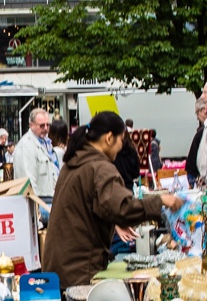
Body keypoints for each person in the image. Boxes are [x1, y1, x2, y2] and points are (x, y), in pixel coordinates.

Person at [40, 112, 183, 288]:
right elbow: (122, 208)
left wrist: (113, 220)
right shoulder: (99, 167)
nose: (122, 146)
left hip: (61, 266)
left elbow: (90, 206)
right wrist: (160, 201)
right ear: (109, 138)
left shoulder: (76, 162)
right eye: (121, 140)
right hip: (79, 269)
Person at [10, 108, 61, 205]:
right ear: (31, 125)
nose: (46, 128)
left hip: (52, 198)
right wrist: (37, 208)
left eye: (48, 125)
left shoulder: (46, 142)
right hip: (40, 201)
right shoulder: (26, 146)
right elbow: (28, 183)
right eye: (42, 126)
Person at [184, 101, 207, 187]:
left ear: (204, 111)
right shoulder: (203, 130)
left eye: (197, 113)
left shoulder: (205, 130)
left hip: (196, 173)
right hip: (196, 172)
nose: (197, 117)